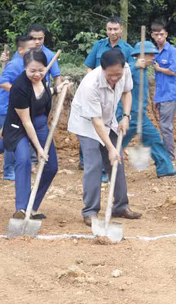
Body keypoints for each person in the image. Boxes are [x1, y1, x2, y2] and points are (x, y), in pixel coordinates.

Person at [68, 48, 141, 226]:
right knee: (94, 164)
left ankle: (121, 206)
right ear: (102, 69)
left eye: (118, 74)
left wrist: (125, 116)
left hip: (108, 120)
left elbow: (126, 92)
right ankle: (90, 211)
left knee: (117, 161)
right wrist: (110, 148)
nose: (115, 78)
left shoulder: (125, 72)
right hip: (87, 124)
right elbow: (96, 121)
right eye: (111, 75)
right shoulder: (90, 84)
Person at [3, 49, 66, 219]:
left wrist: (56, 89)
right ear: (25, 69)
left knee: (51, 167)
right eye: (32, 71)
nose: (37, 74)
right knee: (23, 160)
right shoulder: (19, 87)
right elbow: (26, 121)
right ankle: (21, 208)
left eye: (41, 70)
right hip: (19, 127)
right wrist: (39, 148)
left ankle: (32, 205)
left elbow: (41, 95)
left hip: (40, 125)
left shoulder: (44, 80)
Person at [119, 41, 176, 178]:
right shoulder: (129, 67)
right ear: (141, 55)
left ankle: (164, 168)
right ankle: (104, 171)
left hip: (141, 115)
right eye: (151, 55)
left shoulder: (145, 70)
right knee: (116, 143)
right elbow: (120, 79)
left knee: (154, 138)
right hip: (127, 115)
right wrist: (135, 66)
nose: (153, 58)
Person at [80, 16, 133, 172]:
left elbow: (128, 78)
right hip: (96, 92)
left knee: (109, 129)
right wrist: (91, 82)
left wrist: (126, 115)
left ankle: (108, 163)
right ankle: (86, 160)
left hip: (113, 95)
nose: (112, 32)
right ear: (106, 30)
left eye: (115, 29)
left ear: (121, 29)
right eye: (109, 29)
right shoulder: (98, 46)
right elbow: (89, 66)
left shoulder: (127, 49)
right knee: (91, 127)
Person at [0, 35, 36, 180]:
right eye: (30, 49)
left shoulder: (27, 64)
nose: (33, 51)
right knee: (13, 139)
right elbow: (3, 83)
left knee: (14, 139)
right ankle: (9, 171)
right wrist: (21, 94)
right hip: (7, 109)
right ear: (21, 50)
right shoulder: (16, 64)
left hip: (15, 108)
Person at [150, 20, 176, 161]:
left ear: (166, 34)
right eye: (156, 35)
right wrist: (156, 98)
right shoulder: (155, 53)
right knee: (163, 127)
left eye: (161, 34)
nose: (159, 37)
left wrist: (160, 69)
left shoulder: (173, 52)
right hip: (160, 95)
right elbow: (158, 80)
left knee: (166, 126)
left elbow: (174, 72)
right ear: (152, 36)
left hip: (170, 95)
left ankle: (169, 156)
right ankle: (166, 155)